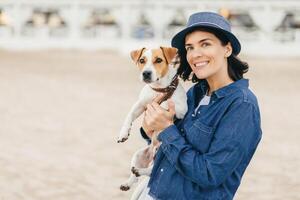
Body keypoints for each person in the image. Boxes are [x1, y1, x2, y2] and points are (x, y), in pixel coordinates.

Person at [137, 11, 262, 200]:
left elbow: (210, 174)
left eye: (205, 44)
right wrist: (150, 130)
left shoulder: (242, 106)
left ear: (227, 49)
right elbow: (169, 147)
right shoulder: (195, 93)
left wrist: (167, 129)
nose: (195, 54)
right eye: (189, 47)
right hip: (153, 191)